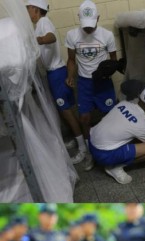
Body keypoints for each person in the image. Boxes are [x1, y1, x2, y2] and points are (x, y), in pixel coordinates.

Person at [26, 0, 86, 164]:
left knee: (65, 111)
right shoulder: (40, 24)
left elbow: (50, 38)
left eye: (28, 8)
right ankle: (78, 138)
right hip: (55, 73)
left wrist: (31, 41)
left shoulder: (44, 22)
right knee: (64, 110)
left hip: (57, 74)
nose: (27, 12)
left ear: (36, 9)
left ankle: (82, 148)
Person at [65, 0, 118, 171]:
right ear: (79, 17)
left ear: (98, 18)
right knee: (84, 118)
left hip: (102, 82)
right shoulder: (72, 35)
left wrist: (107, 71)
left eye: (92, 24)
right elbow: (72, 60)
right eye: (85, 24)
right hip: (85, 82)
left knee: (109, 116)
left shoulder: (107, 35)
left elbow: (114, 61)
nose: (88, 29)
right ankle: (90, 153)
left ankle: (112, 149)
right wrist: (70, 76)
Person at [88, 85, 145, 184]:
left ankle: (99, 157)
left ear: (140, 96)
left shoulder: (124, 103)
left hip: (91, 141)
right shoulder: (143, 125)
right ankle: (115, 167)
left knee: (128, 133)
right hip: (103, 154)